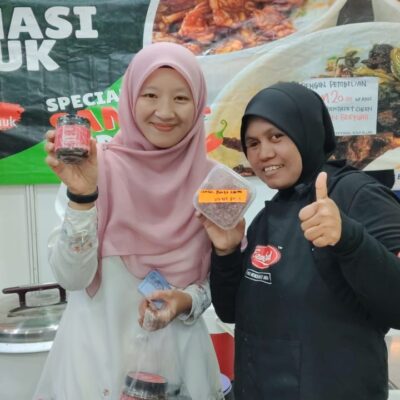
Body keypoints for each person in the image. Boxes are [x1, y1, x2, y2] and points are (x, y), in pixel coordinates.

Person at [33, 42, 224, 400]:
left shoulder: (214, 184)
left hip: (179, 368)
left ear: (199, 103)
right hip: (94, 368)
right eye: (150, 95)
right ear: (130, 97)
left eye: (181, 98)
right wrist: (82, 197)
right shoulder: (92, 167)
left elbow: (222, 282)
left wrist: (186, 301)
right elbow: (72, 277)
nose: (165, 112)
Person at [198, 81, 400, 400]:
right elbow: (230, 313)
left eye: (276, 136)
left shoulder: (357, 195)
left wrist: (350, 239)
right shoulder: (266, 217)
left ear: (306, 130)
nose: (264, 153)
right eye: (253, 143)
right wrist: (226, 252)